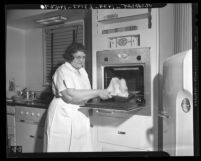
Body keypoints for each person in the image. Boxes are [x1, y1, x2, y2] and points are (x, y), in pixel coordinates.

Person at [43, 42, 112, 152]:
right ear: (70, 57)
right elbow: (69, 95)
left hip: (80, 111)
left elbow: (86, 92)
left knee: (80, 145)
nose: (81, 60)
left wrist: (101, 95)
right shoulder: (63, 70)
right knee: (60, 146)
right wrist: (98, 92)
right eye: (78, 57)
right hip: (63, 111)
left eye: (83, 57)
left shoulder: (82, 71)